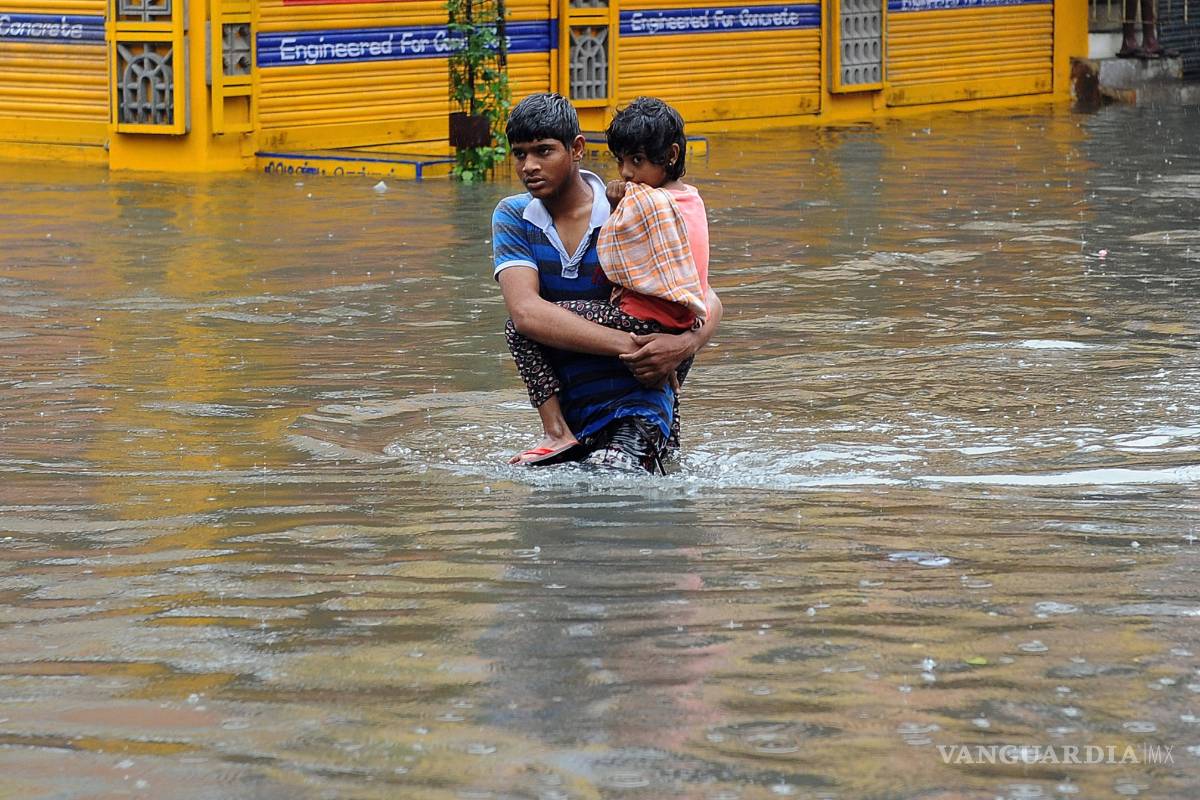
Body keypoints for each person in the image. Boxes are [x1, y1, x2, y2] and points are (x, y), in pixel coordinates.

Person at [491, 93, 722, 472]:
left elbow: (700, 293)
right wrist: (640, 348)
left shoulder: (633, 210)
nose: (529, 166)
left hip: (641, 409)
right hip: (575, 419)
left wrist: (682, 345)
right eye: (519, 154)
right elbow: (526, 314)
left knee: (617, 505)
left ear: (577, 148)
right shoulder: (514, 217)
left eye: (544, 151)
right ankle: (556, 433)